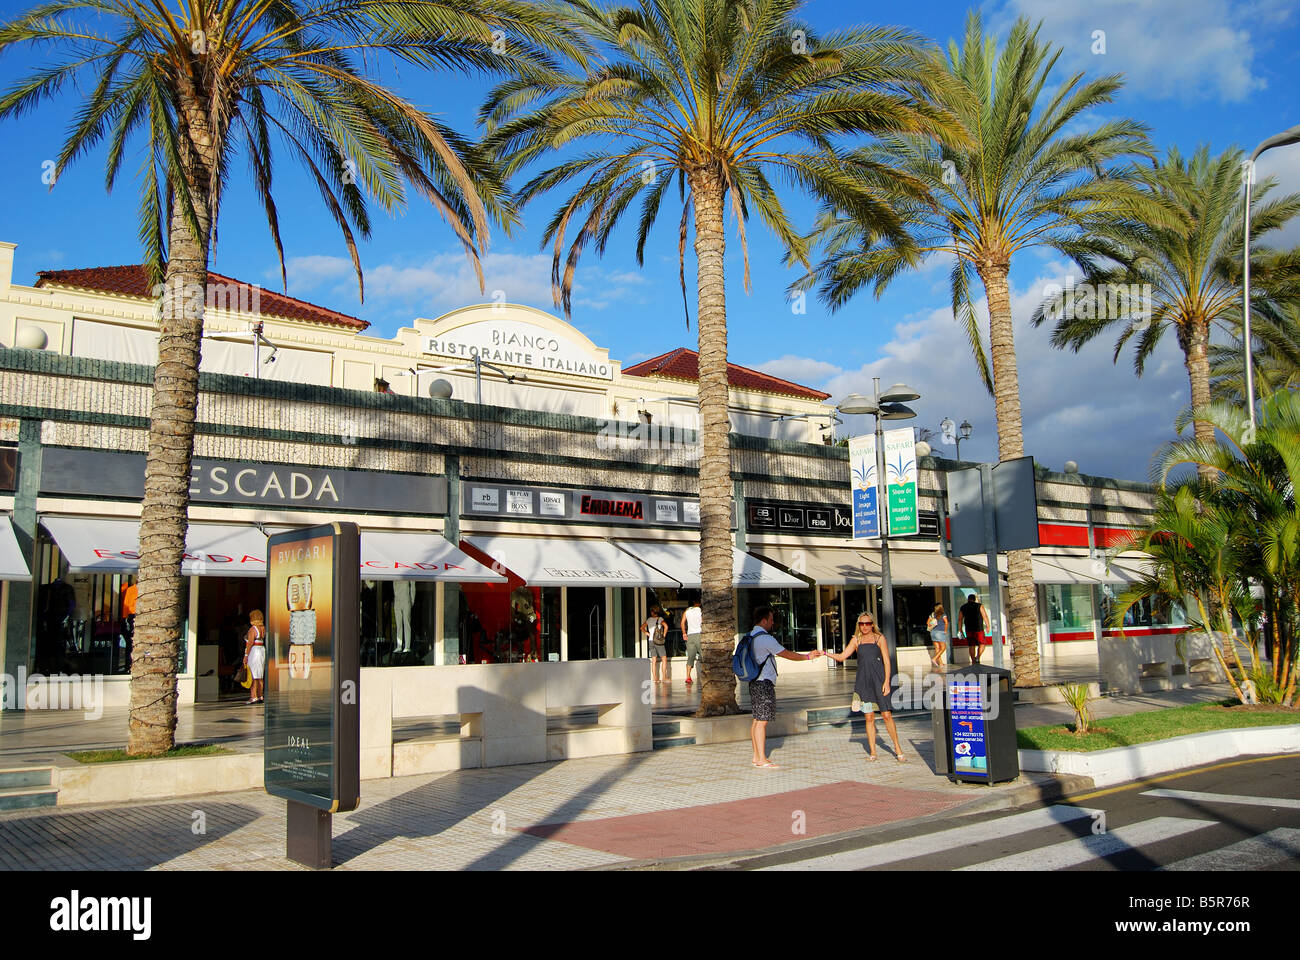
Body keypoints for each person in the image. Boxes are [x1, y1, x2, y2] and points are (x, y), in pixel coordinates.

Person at [824, 613, 908, 762]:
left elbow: (887, 661)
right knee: (869, 717)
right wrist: (824, 653)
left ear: (872, 624)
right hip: (864, 682)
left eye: (867, 623)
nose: (864, 626)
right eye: (861, 624)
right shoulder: (856, 640)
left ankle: (897, 748)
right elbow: (842, 656)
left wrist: (887, 681)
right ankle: (873, 752)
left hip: (879, 680)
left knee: (886, 715)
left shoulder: (879, 638)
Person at [746, 606, 822, 768]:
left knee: (757, 720)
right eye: (771, 619)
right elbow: (786, 653)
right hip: (763, 682)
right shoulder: (765, 638)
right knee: (762, 721)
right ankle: (761, 759)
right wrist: (807, 656)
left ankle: (756, 756)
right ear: (764, 620)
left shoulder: (750, 635)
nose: (773, 623)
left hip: (754, 681)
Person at [959, 592, 992, 665]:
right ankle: (978, 657)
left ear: (968, 599)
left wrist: (960, 629)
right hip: (979, 628)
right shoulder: (979, 606)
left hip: (969, 629)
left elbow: (960, 619)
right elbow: (985, 616)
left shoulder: (963, 607)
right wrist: (988, 626)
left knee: (971, 645)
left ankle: (973, 661)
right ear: (974, 599)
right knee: (982, 644)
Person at [243, 609, 267, 705]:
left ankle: (253, 696)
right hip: (261, 650)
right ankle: (260, 695)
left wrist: (246, 655)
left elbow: (250, 643)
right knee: (260, 674)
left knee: (253, 674)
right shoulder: (263, 628)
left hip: (254, 651)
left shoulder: (253, 629)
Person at [641, 605, 669, 683]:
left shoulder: (649, 619)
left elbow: (641, 627)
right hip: (658, 641)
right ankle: (664, 677)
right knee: (664, 658)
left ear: (652, 612)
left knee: (654, 660)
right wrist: (663, 635)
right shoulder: (660, 619)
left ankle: (655, 678)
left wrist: (647, 633)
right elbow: (666, 626)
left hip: (651, 640)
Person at [681, 595, 703, 685]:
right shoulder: (701, 611)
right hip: (699, 634)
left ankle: (688, 677)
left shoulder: (687, 610)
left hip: (690, 635)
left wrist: (684, 633)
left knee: (690, 657)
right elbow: (703, 622)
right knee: (703, 655)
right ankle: (705, 674)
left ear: (693, 602)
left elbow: (682, 623)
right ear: (700, 603)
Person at [927, 603, 949, 669]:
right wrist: (945, 631)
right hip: (940, 632)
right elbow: (946, 623)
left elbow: (928, 623)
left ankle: (941, 663)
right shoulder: (943, 614)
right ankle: (934, 658)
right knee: (943, 648)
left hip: (933, 632)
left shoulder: (933, 614)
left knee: (937, 648)